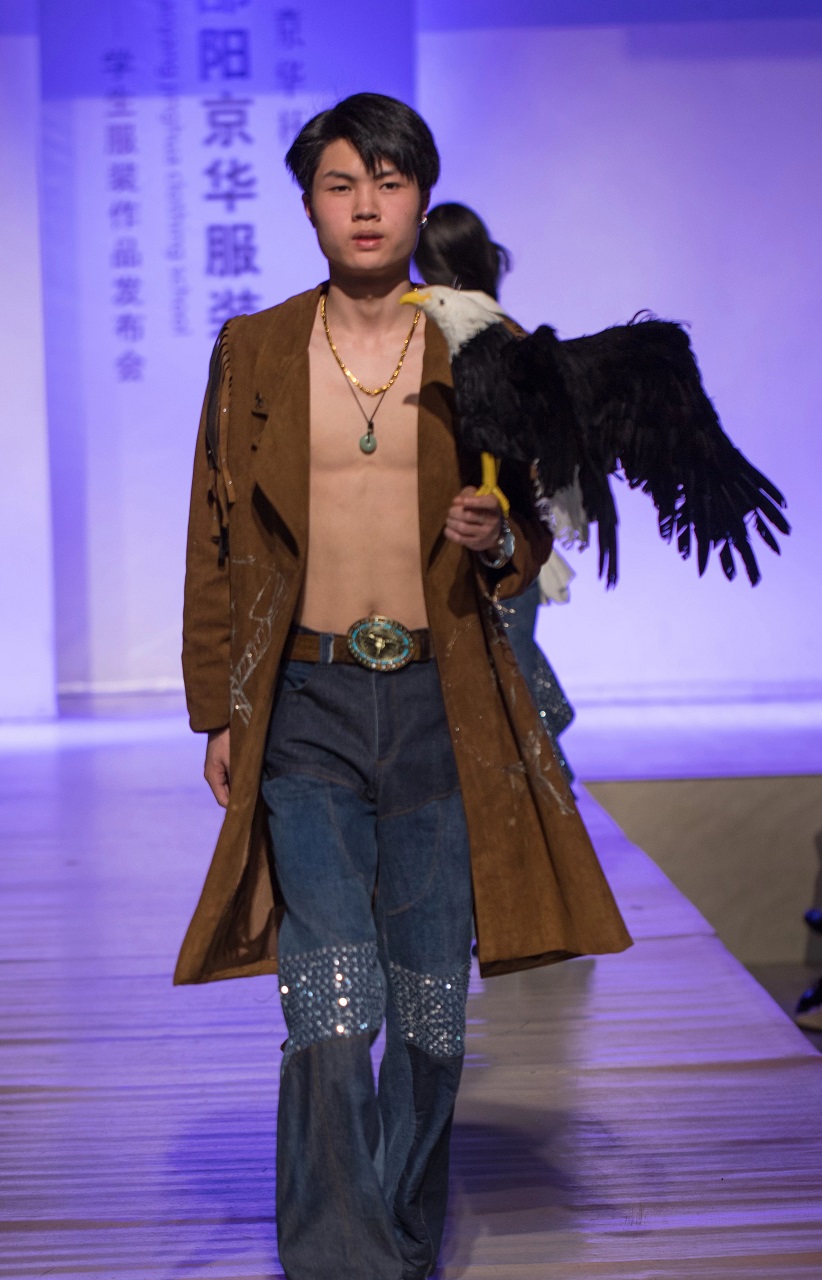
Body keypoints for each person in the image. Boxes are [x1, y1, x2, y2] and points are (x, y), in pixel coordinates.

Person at [176, 92, 631, 1280]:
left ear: (421, 197)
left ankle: (399, 1240)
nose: (366, 205)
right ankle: (341, 1257)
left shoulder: (477, 347)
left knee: (430, 1006)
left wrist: (496, 537)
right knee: (332, 991)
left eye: (388, 181)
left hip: (442, 702)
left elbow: (534, 530)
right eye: (341, 183)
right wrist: (217, 706)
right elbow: (217, 532)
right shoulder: (255, 347)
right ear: (309, 205)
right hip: (308, 702)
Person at [414, 202, 577, 779]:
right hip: (510, 539)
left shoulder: (461, 339)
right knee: (509, 681)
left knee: (507, 699)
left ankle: (546, 801)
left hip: (491, 541)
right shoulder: (511, 335)